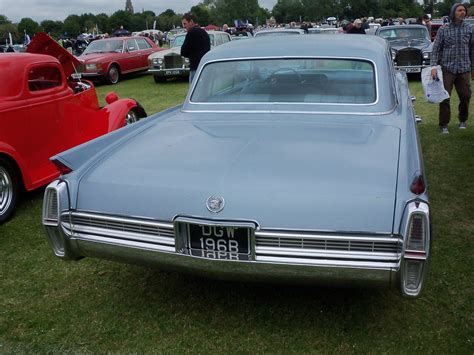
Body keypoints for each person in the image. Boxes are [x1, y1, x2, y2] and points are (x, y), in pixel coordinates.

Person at [430, 3, 473, 134]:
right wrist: (433, 66)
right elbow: (436, 48)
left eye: (464, 11)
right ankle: (443, 124)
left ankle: (462, 120)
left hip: (464, 68)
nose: (462, 13)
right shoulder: (444, 29)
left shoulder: (470, 29)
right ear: (453, 12)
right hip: (447, 69)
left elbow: (472, 49)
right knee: (444, 97)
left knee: (466, 96)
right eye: (459, 10)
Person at [180, 12, 211, 84]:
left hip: (195, 67)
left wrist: (191, 54)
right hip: (204, 66)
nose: (184, 26)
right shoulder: (204, 33)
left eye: (185, 24)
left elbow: (183, 51)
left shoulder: (191, 33)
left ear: (191, 22)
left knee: (194, 91)